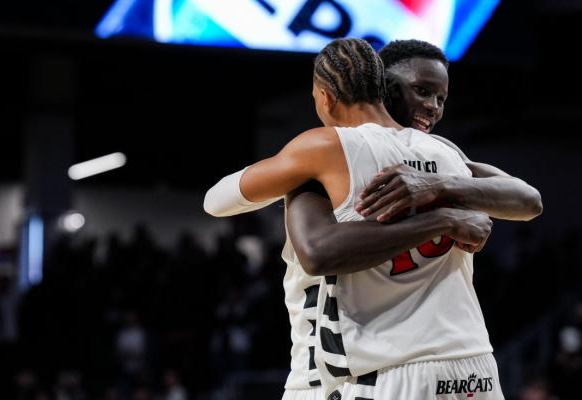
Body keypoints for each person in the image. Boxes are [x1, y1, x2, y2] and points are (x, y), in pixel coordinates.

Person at [204, 37, 540, 398]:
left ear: (324, 97)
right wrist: (446, 210)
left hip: (377, 367)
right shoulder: (448, 155)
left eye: (440, 98)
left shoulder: (324, 149)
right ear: (385, 87)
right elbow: (528, 199)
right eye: (423, 91)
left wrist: (289, 173)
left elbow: (217, 201)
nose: (432, 106)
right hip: (472, 364)